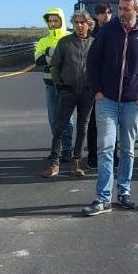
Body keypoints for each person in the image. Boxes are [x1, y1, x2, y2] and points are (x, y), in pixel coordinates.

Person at [85, 0, 138, 216]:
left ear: (136, 9)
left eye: (127, 9)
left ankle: (124, 192)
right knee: (106, 148)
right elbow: (93, 61)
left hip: (132, 102)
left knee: (127, 150)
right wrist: (97, 90)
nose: (122, 13)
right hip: (106, 100)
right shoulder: (108, 30)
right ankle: (102, 198)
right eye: (120, 8)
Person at [43, 10, 95, 178]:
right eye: (76, 23)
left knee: (82, 128)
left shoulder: (95, 43)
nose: (79, 26)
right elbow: (54, 66)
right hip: (67, 90)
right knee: (60, 127)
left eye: (83, 23)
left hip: (87, 92)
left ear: (89, 25)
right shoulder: (65, 42)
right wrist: (60, 85)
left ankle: (77, 162)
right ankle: (54, 163)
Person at [35, 7, 73, 163]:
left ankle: (67, 150)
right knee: (53, 118)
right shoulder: (43, 41)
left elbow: (72, 59)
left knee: (67, 118)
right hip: (50, 84)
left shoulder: (70, 37)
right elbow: (38, 60)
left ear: (61, 21)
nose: (52, 23)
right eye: (50, 21)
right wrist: (57, 55)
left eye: (55, 20)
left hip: (67, 85)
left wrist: (49, 53)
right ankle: (56, 149)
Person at [86, 3, 113, 168]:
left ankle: (113, 155)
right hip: (95, 84)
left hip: (112, 83)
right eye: (103, 12)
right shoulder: (92, 34)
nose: (106, 15)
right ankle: (92, 156)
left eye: (109, 11)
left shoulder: (116, 31)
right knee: (94, 123)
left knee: (113, 123)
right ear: (96, 15)